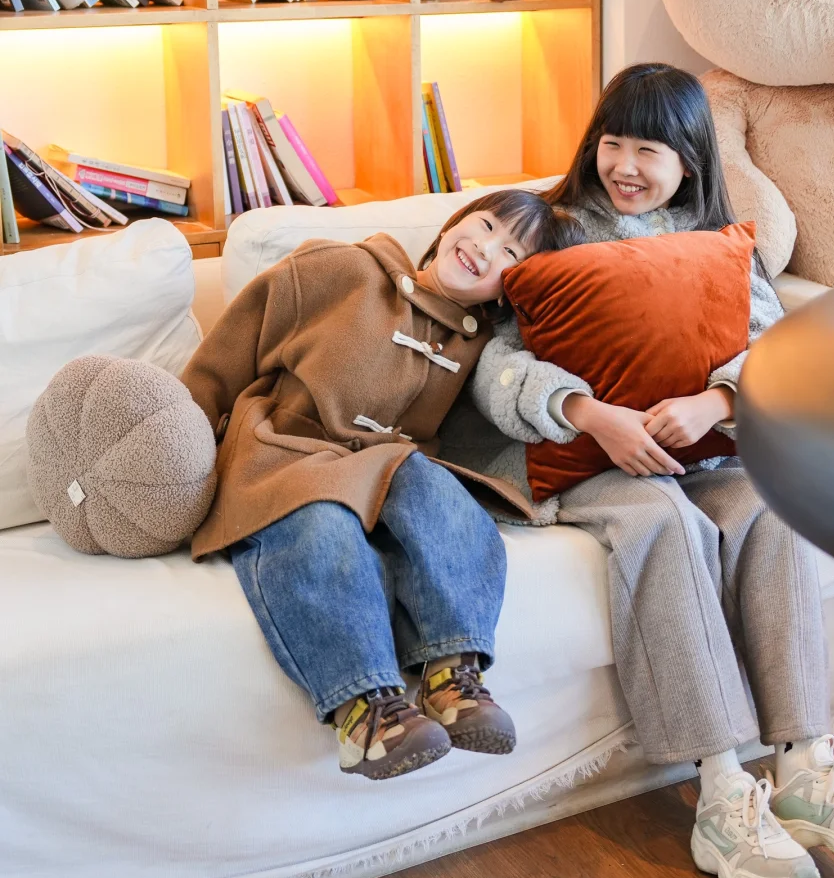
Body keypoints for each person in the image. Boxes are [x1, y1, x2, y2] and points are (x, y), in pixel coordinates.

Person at [469, 65, 834, 878]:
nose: (624, 165)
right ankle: (721, 791)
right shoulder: (550, 230)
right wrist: (589, 413)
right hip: (590, 461)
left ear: (690, 161)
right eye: (612, 143)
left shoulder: (720, 243)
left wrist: (715, 400)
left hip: (705, 454)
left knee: (771, 509)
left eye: (649, 150)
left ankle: (806, 770)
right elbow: (492, 369)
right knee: (664, 523)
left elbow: (776, 350)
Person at [182, 190, 582, 782]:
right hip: (284, 453)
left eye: (509, 253)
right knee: (321, 528)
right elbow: (221, 361)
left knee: (443, 496)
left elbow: (508, 413)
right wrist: (183, 463)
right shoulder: (342, 268)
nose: (485, 248)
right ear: (450, 226)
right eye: (484, 225)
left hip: (383, 469)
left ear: (509, 290)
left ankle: (452, 678)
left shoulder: (478, 346)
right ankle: (365, 713)